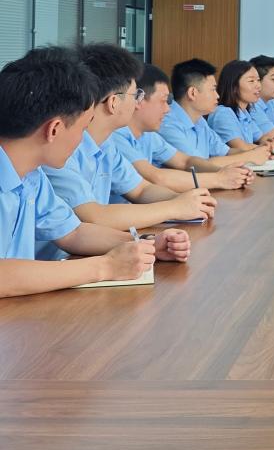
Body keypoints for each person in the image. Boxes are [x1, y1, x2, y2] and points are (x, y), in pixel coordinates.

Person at [0, 47, 189, 298]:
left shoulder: (32, 176)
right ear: (54, 129)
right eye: (82, 128)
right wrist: (105, 266)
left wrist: (146, 244)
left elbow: (73, 232)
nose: (83, 140)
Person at [41, 44, 217, 240]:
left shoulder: (106, 144)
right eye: (135, 95)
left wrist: (185, 201)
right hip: (71, 254)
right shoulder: (61, 148)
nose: (137, 103)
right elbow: (93, 216)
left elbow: (141, 189)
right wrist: (174, 208)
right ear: (113, 102)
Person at [110, 64, 253, 192]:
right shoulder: (117, 135)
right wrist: (219, 178)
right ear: (138, 99)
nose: (167, 109)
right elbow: (156, 177)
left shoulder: (148, 135)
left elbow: (186, 161)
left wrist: (224, 172)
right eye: (163, 101)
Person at [159, 59, 271, 167]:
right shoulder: (167, 123)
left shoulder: (199, 120)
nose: (217, 96)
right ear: (193, 93)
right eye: (213, 90)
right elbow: (197, 165)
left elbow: (226, 152)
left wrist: (257, 153)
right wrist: (248, 157)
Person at [208, 60, 274, 151]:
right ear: (234, 86)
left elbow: (261, 137)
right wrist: (266, 147)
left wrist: (269, 142)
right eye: (251, 81)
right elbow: (241, 147)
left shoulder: (243, 112)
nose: (258, 85)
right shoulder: (222, 113)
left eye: (258, 80)